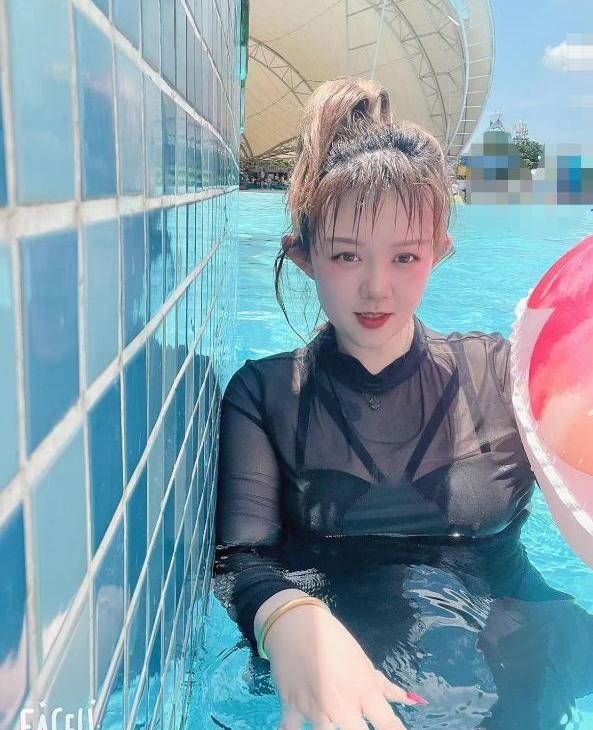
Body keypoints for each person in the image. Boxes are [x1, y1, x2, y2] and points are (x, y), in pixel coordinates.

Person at [213, 77, 593, 729]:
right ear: (303, 257)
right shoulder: (267, 396)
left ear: (439, 252)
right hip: (345, 643)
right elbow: (240, 561)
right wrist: (285, 617)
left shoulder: (499, 376)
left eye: (404, 257)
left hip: (517, 633)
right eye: (345, 256)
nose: (376, 287)